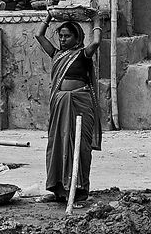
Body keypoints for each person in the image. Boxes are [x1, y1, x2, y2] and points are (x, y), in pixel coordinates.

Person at [36, 13, 102, 205]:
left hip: (81, 103)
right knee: (57, 143)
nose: (63, 40)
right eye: (61, 36)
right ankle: (58, 190)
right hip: (60, 103)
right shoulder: (56, 54)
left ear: (77, 38)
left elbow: (96, 42)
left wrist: (96, 20)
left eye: (67, 36)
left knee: (80, 146)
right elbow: (40, 36)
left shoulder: (83, 53)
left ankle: (80, 191)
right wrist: (48, 16)